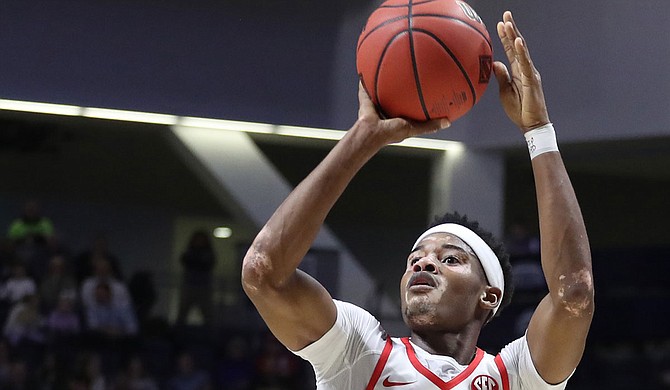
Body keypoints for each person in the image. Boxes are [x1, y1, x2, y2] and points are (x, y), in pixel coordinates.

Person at [241, 11, 594, 390]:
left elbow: (574, 292)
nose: (424, 262)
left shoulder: (514, 377)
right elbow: (264, 273)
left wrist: (538, 131)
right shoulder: (360, 353)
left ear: (488, 296)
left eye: (451, 259)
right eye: (415, 259)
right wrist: (362, 140)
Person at [176, 230, 216, 327]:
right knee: (183, 311)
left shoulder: (208, 254)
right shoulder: (189, 252)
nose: (199, 242)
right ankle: (178, 332)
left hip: (203, 287)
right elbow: (185, 260)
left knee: (207, 313)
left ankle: (209, 335)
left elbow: (208, 264)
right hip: (189, 285)